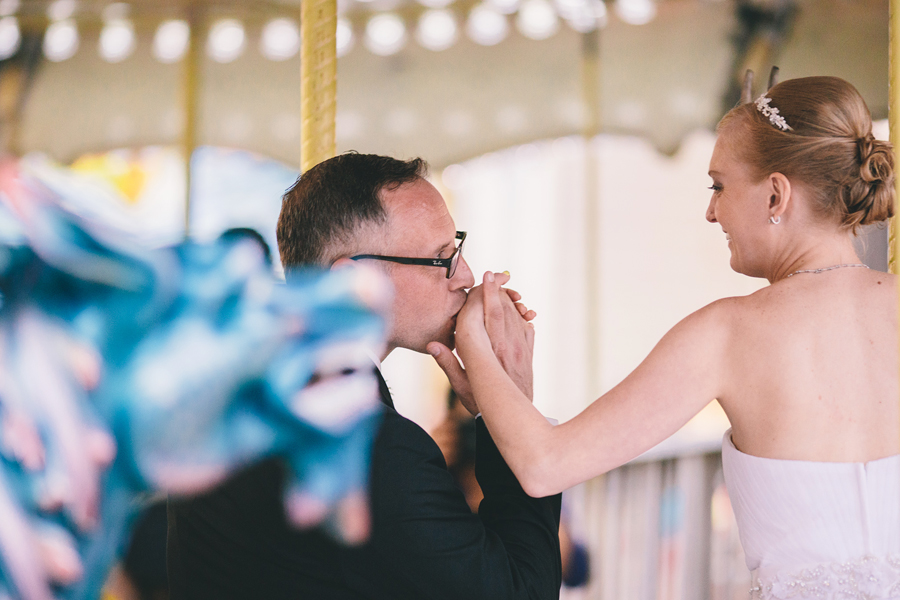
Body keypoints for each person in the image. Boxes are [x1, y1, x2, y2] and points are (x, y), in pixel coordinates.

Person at [436, 75, 899, 597]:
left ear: (776, 193)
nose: (710, 211)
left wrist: (473, 341)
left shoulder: (729, 331)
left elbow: (545, 466)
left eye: (718, 186)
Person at [167, 153, 563, 600]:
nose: (465, 277)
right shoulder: (369, 444)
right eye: (442, 258)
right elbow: (521, 591)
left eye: (458, 250)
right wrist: (512, 404)